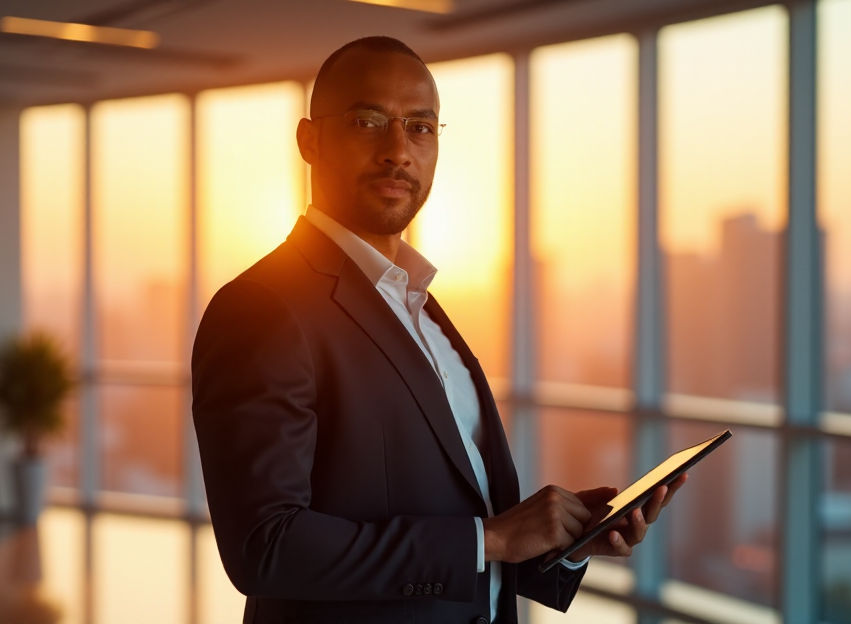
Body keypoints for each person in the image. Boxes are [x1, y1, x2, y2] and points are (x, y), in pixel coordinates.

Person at [191, 36, 685, 624]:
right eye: (368, 120)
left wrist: (564, 539)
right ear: (309, 140)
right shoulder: (261, 307)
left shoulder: (418, 305)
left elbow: (464, 524)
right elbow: (264, 547)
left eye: (421, 127)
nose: (398, 150)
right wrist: (491, 540)